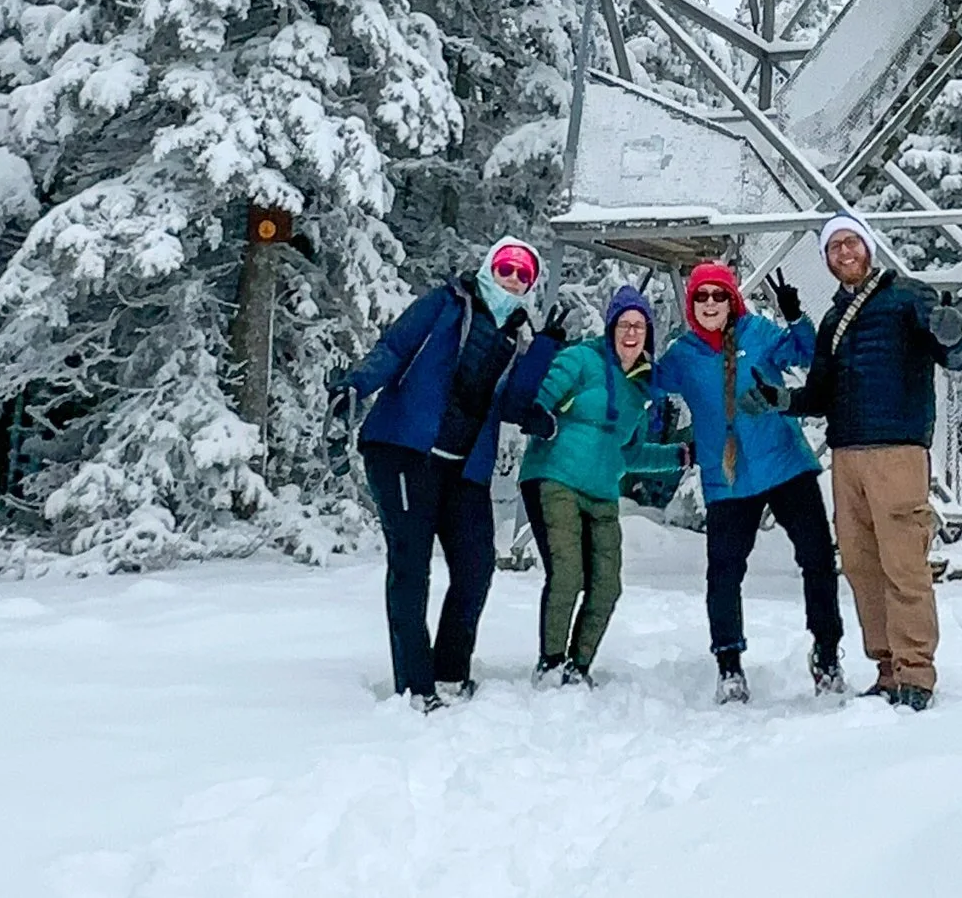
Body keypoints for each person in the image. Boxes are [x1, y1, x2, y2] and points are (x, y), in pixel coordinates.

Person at [334, 235, 564, 711]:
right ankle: (416, 688)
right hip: (403, 450)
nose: (514, 279)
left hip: (463, 470)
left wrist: (543, 350)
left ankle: (451, 672)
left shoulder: (516, 337)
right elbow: (395, 349)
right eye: (507, 268)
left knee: (476, 567)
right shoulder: (443, 306)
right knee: (411, 567)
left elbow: (514, 402)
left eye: (524, 275)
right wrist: (354, 387)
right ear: (488, 267)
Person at [793, 212, 962, 711]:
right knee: (861, 565)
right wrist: (782, 402)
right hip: (847, 454)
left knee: (903, 563)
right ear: (827, 260)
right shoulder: (832, 319)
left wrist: (952, 335)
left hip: (897, 451)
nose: (844, 253)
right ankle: (888, 668)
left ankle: (916, 672)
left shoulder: (907, 297)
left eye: (851, 243)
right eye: (834, 248)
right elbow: (821, 392)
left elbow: (954, 358)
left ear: (869, 248)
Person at [650, 257, 844, 705]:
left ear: (732, 299)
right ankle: (729, 665)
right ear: (691, 303)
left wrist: (795, 315)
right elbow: (646, 384)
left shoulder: (757, 333)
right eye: (702, 296)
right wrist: (628, 344)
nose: (711, 302)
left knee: (816, 558)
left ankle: (828, 653)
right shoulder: (683, 355)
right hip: (728, 479)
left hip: (785, 464)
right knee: (724, 573)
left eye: (720, 294)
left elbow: (806, 351)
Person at [518, 286, 655, 687]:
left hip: (602, 493)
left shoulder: (640, 391)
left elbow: (630, 454)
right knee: (567, 574)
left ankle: (579, 667)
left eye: (639, 326)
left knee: (607, 585)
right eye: (624, 324)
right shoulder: (580, 359)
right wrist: (539, 414)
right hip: (556, 476)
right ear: (611, 328)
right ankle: (550, 662)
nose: (631, 333)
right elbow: (537, 401)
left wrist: (682, 455)